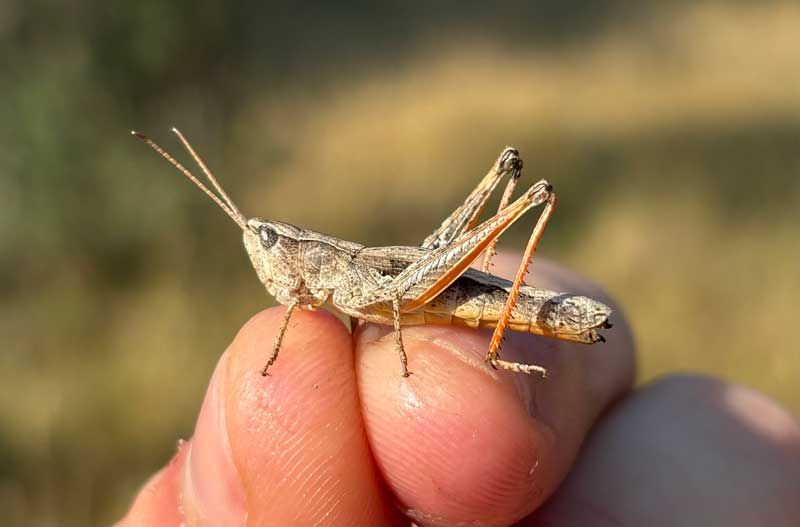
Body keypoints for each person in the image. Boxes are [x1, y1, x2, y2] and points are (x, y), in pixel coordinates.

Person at [118, 255, 800, 526]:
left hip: (414, 285)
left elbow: (383, 299)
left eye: (267, 243)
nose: (264, 258)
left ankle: (503, 343)